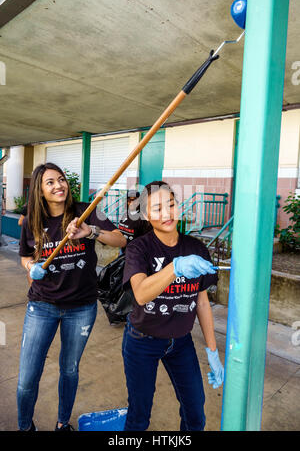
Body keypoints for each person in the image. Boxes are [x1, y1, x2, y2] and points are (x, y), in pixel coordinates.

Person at [17, 162, 126, 431]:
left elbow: (121, 240)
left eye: (61, 179)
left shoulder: (85, 211)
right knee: (27, 378)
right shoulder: (32, 218)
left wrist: (92, 231)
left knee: (69, 370)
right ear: (40, 191)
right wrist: (32, 267)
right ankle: (24, 426)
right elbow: (24, 255)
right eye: (50, 182)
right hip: (42, 306)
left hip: (81, 308)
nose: (59, 185)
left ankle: (63, 424)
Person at [122, 181, 224, 431]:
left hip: (181, 342)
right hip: (142, 341)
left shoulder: (196, 248)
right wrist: (175, 268)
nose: (167, 214)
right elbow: (142, 294)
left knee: (195, 412)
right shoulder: (139, 248)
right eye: (157, 209)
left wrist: (212, 350)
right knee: (139, 415)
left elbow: (201, 301)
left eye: (171, 205)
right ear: (146, 215)